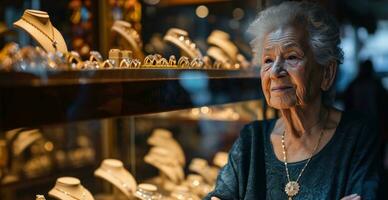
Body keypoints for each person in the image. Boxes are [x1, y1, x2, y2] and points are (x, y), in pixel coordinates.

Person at [206, 2, 380, 200]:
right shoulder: (251, 139)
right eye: (268, 60)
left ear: (327, 73)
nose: (275, 72)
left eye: (291, 57)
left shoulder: (358, 137)